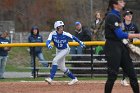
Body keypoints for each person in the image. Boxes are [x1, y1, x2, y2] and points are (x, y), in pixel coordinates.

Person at [104, 0, 140, 93]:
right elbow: (119, 34)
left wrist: (128, 44)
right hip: (112, 47)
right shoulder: (111, 16)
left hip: (121, 46)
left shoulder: (117, 15)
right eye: (120, 1)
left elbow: (120, 36)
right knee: (112, 76)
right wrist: (137, 35)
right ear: (115, 5)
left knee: (132, 75)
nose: (123, 2)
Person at [45, 21, 85, 85]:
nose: (61, 28)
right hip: (58, 50)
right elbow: (48, 41)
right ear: (56, 28)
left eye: (62, 27)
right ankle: (74, 79)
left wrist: (80, 42)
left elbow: (73, 37)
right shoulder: (52, 34)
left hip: (65, 49)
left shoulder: (65, 34)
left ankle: (51, 78)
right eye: (59, 27)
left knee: (55, 60)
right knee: (62, 67)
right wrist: (48, 44)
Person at [121, 10, 139, 86]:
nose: (130, 16)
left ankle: (128, 79)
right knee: (126, 62)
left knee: (130, 63)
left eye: (131, 15)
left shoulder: (134, 26)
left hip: (131, 46)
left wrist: (136, 38)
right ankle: (124, 79)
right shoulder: (121, 25)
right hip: (121, 46)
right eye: (128, 15)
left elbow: (138, 35)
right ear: (124, 17)